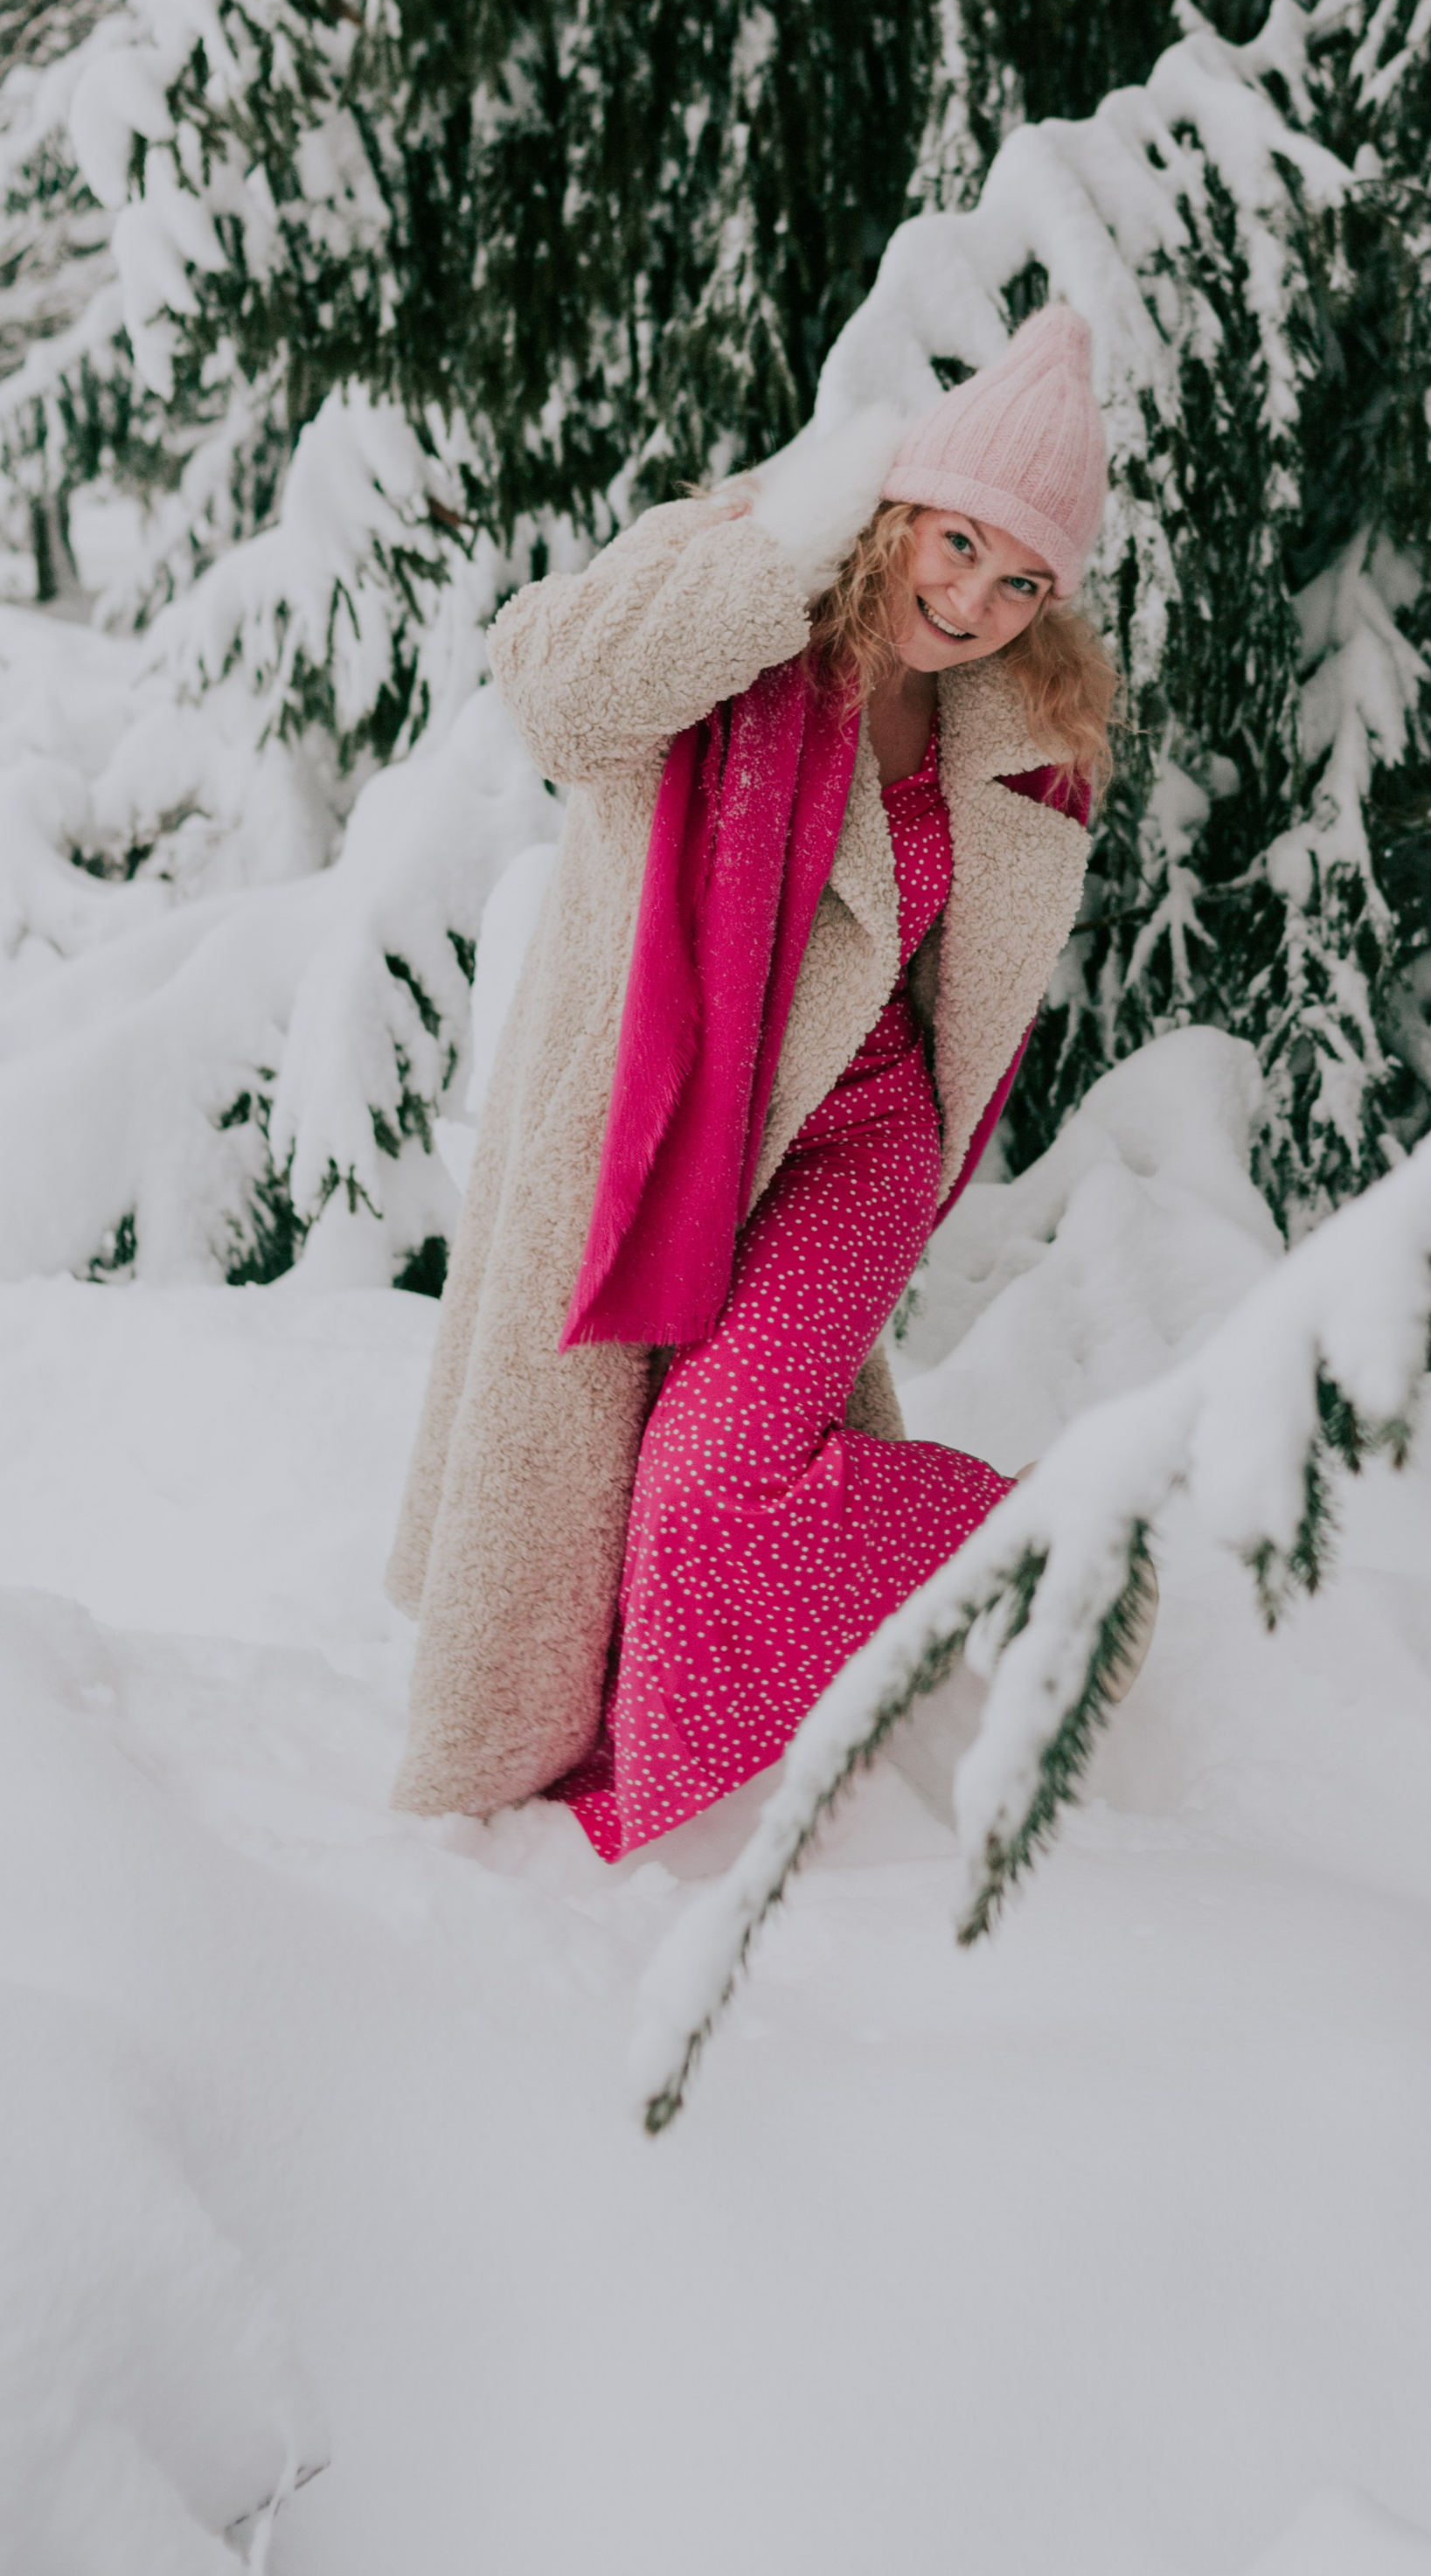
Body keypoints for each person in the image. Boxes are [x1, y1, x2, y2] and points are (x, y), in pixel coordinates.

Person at [385, 307, 1115, 1857]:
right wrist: (776, 555)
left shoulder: (1018, 731)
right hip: (665, 1124)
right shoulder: (740, 591)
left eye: (1022, 581)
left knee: (710, 1498)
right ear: (899, 504)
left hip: (856, 1145)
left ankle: (1054, 1526)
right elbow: (560, 700)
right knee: (613, 1482)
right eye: (959, 542)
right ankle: (1022, 1540)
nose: (974, 602)